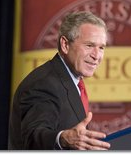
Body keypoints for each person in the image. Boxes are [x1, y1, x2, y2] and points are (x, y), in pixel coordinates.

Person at [8, 11, 111, 150]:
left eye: (101, 47)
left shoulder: (71, 80)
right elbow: (33, 136)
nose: (97, 55)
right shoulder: (44, 83)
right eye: (89, 45)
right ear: (65, 45)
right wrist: (61, 139)